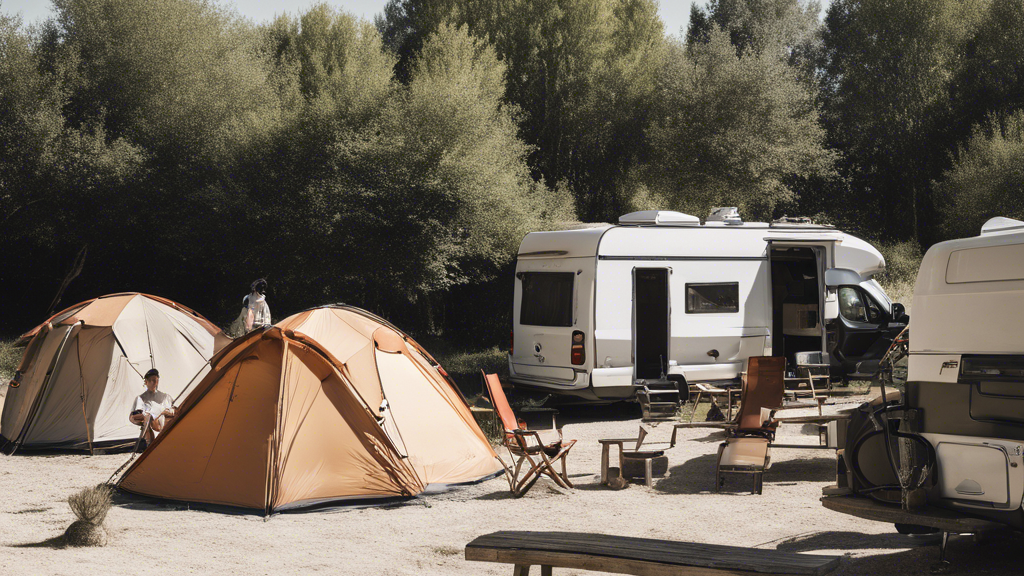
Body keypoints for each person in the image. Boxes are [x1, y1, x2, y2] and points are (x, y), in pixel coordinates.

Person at [129, 369, 175, 443]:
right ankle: (150, 444)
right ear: (146, 382)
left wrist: (166, 412)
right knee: (147, 418)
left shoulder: (165, 397)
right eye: (152, 380)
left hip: (162, 422)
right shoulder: (140, 398)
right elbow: (136, 414)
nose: (154, 382)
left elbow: (172, 410)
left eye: (156, 380)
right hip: (149, 421)